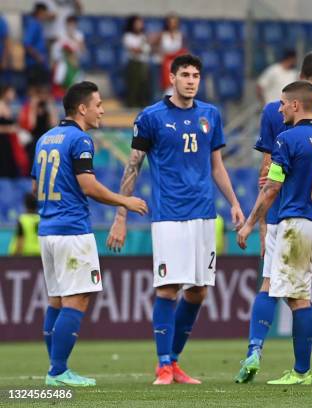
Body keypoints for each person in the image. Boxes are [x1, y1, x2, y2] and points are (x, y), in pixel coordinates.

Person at [106, 54, 245, 385]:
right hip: (169, 215)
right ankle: (163, 364)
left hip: (203, 215)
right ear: (172, 78)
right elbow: (133, 165)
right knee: (168, 288)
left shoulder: (210, 114)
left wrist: (235, 203)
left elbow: (217, 166)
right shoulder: (151, 117)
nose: (191, 80)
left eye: (196, 75)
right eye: (185, 74)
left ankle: (176, 361)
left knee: (198, 291)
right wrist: (121, 215)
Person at [235, 51, 312, 384]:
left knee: (285, 291)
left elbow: (269, 180)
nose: (278, 109)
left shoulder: (284, 134)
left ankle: (309, 359)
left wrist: (254, 224)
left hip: (290, 220)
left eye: (282, 105)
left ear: (292, 103)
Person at [33, 81, 148, 387]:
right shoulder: (80, 140)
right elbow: (88, 186)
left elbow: (36, 188)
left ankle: (55, 368)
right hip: (71, 230)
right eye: (98, 105)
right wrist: (125, 200)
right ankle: (58, 371)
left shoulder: (45, 139)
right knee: (78, 298)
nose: (101, 110)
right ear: (82, 109)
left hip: (47, 231)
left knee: (57, 300)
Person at [20, 84, 59, 164]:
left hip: (47, 137)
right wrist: (33, 107)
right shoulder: (30, 107)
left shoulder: (47, 107)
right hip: (35, 137)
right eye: (41, 94)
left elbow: (54, 123)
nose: (43, 97)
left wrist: (51, 106)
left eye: (45, 94)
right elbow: (31, 125)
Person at [123, 15, 151, 107]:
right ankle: (132, 104)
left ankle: (143, 104)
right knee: (134, 85)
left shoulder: (143, 36)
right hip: (134, 63)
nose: (139, 25)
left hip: (144, 62)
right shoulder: (128, 36)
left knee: (144, 85)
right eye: (137, 23)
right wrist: (144, 44)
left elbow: (149, 49)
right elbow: (135, 50)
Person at [157, 14, 187, 94]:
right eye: (171, 22)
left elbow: (183, 49)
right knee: (166, 86)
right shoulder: (162, 35)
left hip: (177, 62)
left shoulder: (180, 35)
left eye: (174, 22)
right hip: (165, 62)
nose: (172, 24)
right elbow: (156, 48)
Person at [23, 3, 51, 86]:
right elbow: (26, 44)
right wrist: (38, 57)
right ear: (40, 12)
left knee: (42, 90)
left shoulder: (39, 25)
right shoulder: (33, 24)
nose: (46, 15)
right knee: (35, 90)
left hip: (40, 64)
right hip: (34, 64)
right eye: (45, 13)